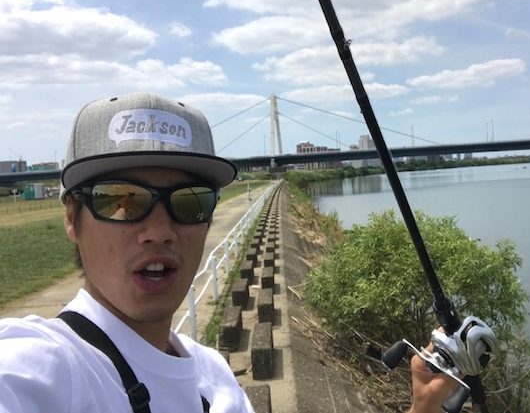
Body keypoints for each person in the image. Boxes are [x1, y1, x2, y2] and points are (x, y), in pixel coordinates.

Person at [0, 91, 456, 413]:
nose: (158, 231)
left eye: (189, 202)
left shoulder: (215, 376)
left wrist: (423, 406)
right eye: (121, 201)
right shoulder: (43, 367)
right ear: (72, 217)